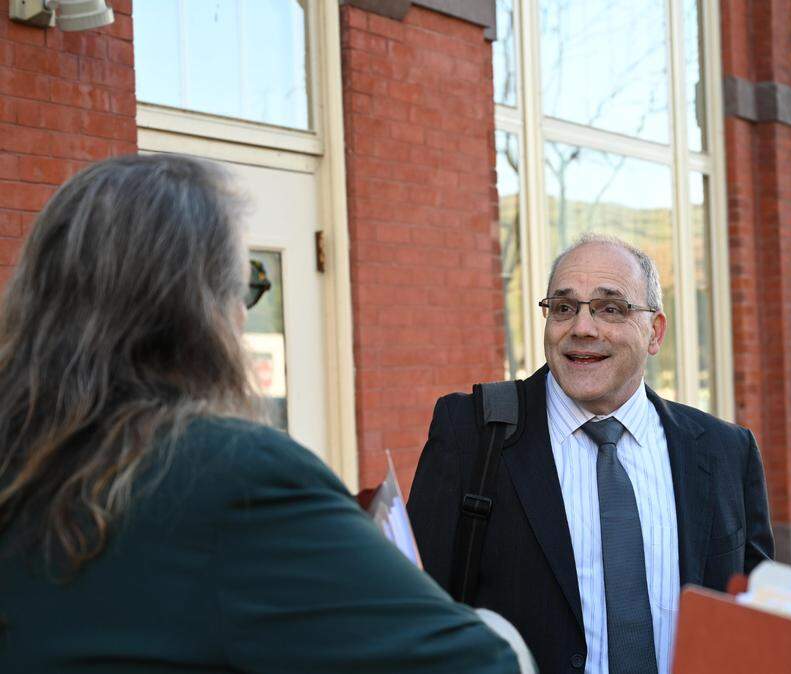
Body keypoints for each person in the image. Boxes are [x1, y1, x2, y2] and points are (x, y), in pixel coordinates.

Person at [0, 154, 519, 673]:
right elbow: (479, 662)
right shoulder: (234, 476)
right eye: (247, 288)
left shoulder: (20, 460)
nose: (244, 315)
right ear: (206, 313)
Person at [408, 234, 774, 674]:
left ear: (654, 332)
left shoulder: (724, 451)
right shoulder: (470, 434)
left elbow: (756, 615)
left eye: (610, 308)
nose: (582, 328)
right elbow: (417, 612)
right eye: (564, 308)